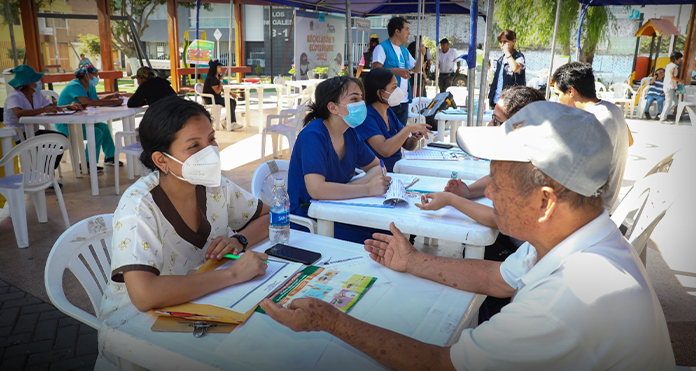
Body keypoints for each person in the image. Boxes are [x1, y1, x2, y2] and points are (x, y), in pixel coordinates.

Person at [261, 101, 676, 370]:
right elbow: (498, 278)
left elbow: (444, 365)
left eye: (497, 181)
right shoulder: (574, 237)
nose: (488, 191)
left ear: (546, 202)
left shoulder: (570, 298)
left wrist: (330, 320)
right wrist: (411, 260)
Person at [98, 95, 270, 322]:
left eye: (211, 140)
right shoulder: (138, 208)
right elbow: (144, 295)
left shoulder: (215, 185)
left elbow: (268, 217)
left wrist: (240, 240)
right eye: (194, 146)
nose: (210, 152)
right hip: (138, 322)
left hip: (204, 301)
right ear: (161, 161)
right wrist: (234, 274)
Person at [417, 86, 544, 322]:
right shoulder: (529, 156)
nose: (489, 127)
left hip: (515, 255)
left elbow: (498, 220)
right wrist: (468, 191)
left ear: (521, 127)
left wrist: (451, 200)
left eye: (496, 121)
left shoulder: (532, 169)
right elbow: (494, 179)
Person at [288, 76, 391, 244]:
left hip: (339, 208)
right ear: (332, 107)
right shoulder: (314, 135)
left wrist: (354, 186)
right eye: (354, 99)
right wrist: (367, 189)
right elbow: (317, 190)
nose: (361, 104)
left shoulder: (349, 133)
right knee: (383, 237)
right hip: (310, 218)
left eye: (361, 98)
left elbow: (377, 166)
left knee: (390, 229)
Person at [552, 62, 629, 211]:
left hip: (594, 209)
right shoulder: (612, 108)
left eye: (558, 94)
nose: (557, 101)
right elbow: (630, 141)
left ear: (570, 91)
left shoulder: (592, 120)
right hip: (609, 200)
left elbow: (570, 170)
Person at [355, 68, 432, 172]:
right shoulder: (367, 117)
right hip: (377, 175)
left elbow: (407, 145)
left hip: (396, 169)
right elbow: (385, 150)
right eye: (394, 87)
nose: (398, 91)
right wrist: (409, 128)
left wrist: (414, 139)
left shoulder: (389, 112)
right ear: (380, 93)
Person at [57, 65, 124, 171]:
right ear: (86, 76)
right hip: (68, 124)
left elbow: (95, 100)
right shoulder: (74, 86)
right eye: (95, 75)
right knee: (96, 132)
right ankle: (87, 163)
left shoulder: (90, 86)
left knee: (104, 128)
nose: (97, 77)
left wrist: (110, 96)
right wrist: (115, 102)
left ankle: (110, 157)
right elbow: (90, 102)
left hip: (80, 121)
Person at [3, 64, 82, 146]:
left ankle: (44, 159)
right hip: (18, 135)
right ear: (29, 83)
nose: (39, 81)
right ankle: (41, 159)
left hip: (33, 131)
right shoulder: (15, 96)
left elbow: (50, 107)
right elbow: (19, 113)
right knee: (57, 143)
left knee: (61, 139)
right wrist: (43, 109)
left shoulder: (36, 94)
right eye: (36, 80)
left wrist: (68, 106)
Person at [372, 17, 426, 126]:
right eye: (406, 29)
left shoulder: (404, 51)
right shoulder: (381, 48)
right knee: (388, 134)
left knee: (400, 135)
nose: (409, 32)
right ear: (397, 31)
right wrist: (395, 71)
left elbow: (416, 69)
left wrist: (422, 55)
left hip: (404, 101)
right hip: (388, 101)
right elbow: (376, 70)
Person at [488, 29, 525, 109]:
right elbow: (496, 80)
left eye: (505, 42)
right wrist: (491, 98)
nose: (502, 44)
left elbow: (515, 68)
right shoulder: (500, 60)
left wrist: (507, 53)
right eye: (501, 42)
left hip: (511, 102)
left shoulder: (518, 57)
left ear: (513, 41)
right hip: (497, 101)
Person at [202, 59, 242, 131]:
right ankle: (231, 122)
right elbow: (217, 91)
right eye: (219, 66)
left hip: (217, 98)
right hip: (211, 99)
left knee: (233, 101)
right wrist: (221, 80)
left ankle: (227, 121)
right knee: (229, 102)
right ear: (214, 68)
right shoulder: (212, 78)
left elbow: (220, 88)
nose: (221, 68)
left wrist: (231, 93)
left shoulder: (217, 76)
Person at [659, 51, 683, 124]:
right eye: (679, 59)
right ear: (676, 59)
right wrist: (680, 81)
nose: (680, 60)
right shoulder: (673, 66)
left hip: (671, 86)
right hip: (669, 86)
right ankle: (663, 118)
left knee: (675, 102)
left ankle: (663, 114)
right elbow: (672, 76)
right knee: (668, 102)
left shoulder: (669, 65)